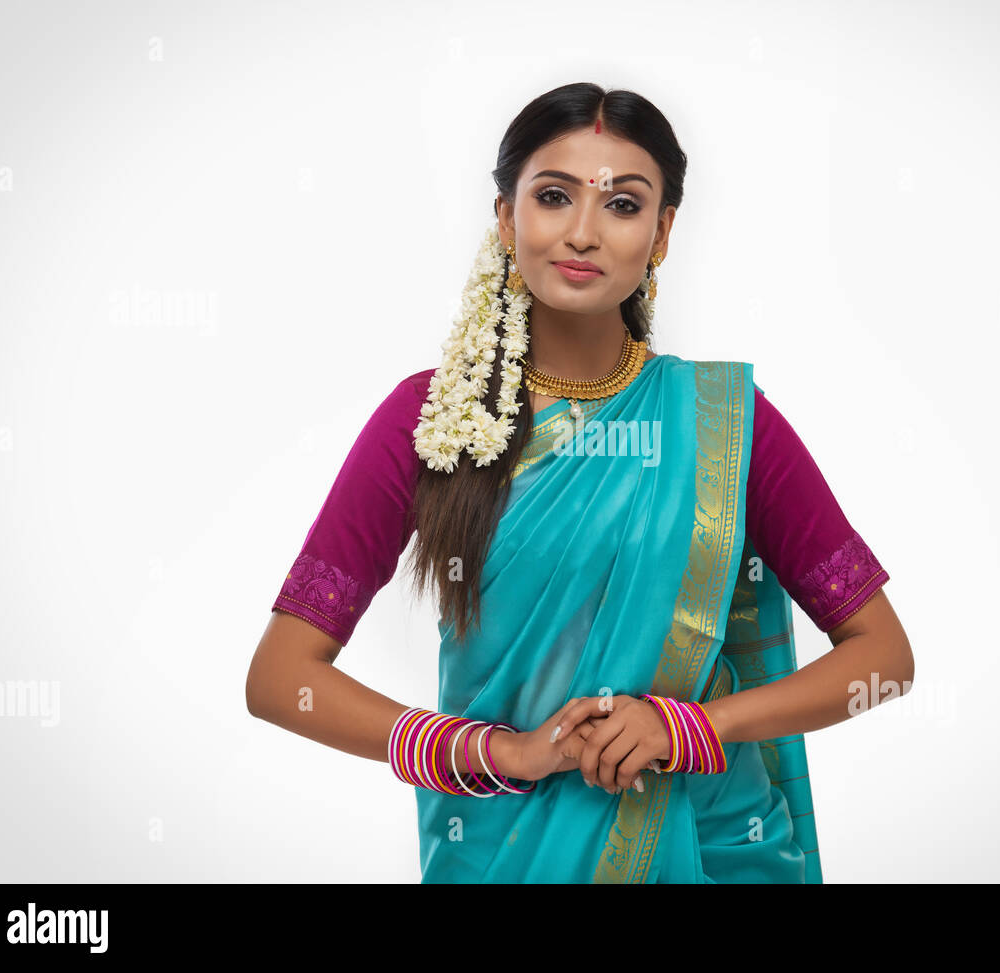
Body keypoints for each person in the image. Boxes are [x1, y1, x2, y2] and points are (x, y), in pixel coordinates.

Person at [245, 82, 914, 883]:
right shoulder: (429, 420)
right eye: (554, 196)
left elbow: (884, 655)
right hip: (498, 848)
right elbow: (280, 677)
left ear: (663, 232)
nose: (584, 232)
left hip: (709, 846)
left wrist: (691, 728)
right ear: (506, 217)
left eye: (623, 204)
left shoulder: (725, 421)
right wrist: (497, 752)